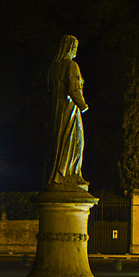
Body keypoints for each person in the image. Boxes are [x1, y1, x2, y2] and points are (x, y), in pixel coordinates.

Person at [47, 35, 87, 188]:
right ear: (70, 48)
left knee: (58, 142)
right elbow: (74, 89)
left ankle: (59, 174)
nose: (75, 50)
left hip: (56, 111)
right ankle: (70, 174)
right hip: (70, 110)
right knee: (75, 141)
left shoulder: (53, 68)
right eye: (74, 47)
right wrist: (83, 105)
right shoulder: (71, 66)